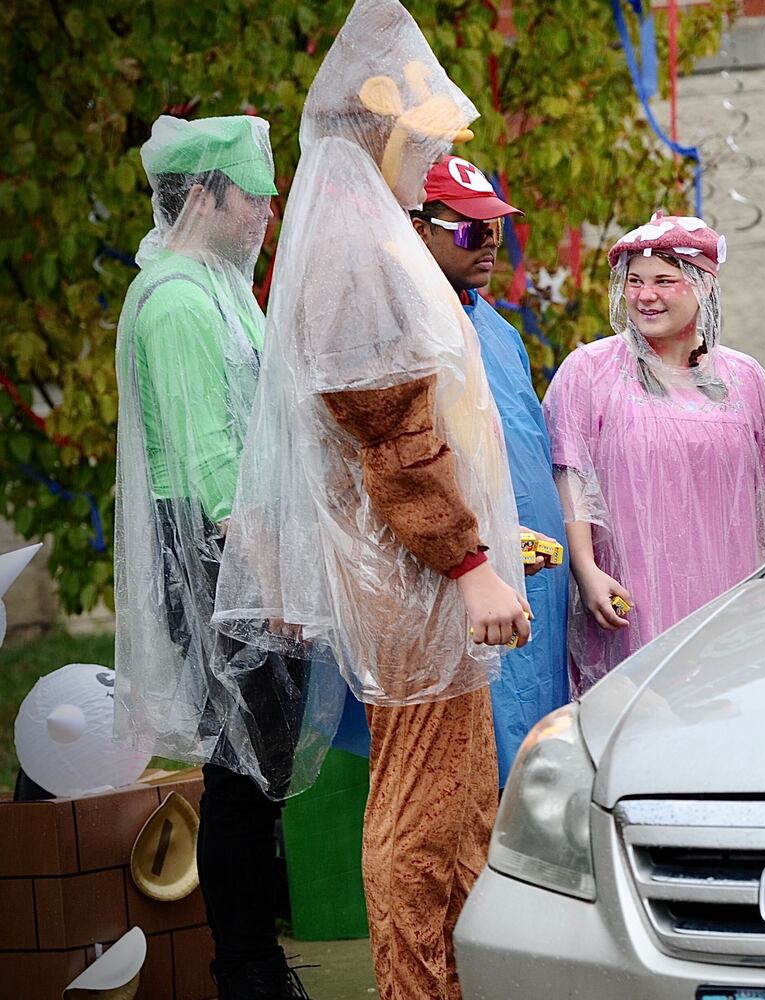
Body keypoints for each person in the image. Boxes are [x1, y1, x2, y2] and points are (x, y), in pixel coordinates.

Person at [211, 1, 528, 996]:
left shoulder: (365, 233)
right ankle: (417, 986)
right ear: (377, 128)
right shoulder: (354, 249)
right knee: (424, 809)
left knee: (459, 800)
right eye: (423, 137)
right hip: (412, 570)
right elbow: (392, 431)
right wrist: (469, 563)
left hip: (425, 564)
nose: (429, 156)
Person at [113, 115, 337, 999]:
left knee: (257, 768)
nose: (268, 212)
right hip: (217, 559)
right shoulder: (174, 301)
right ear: (204, 194)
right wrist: (269, 576)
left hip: (241, 552)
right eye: (254, 195)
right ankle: (245, 967)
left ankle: (253, 955)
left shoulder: (214, 285)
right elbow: (211, 466)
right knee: (239, 772)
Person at [543, 212, 765, 694]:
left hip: (729, 594)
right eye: (634, 282)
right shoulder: (590, 371)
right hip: (632, 599)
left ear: (703, 286)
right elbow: (569, 478)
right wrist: (586, 569)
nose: (644, 295)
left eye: (664, 280)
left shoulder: (743, 379)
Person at [410, 156, 569, 788]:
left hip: (535, 588)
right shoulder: (409, 330)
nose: (491, 248)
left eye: (496, 232)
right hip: (466, 593)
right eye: (473, 231)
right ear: (420, 229)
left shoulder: (498, 329)